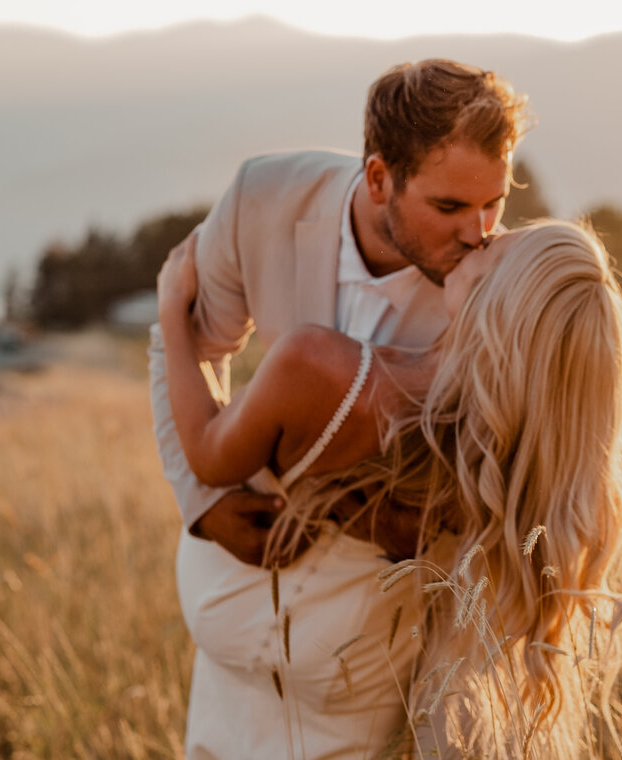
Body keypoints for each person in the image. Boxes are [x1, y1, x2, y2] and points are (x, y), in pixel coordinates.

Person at [145, 58, 531, 757]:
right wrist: (200, 497)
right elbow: (189, 346)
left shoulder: (494, 283)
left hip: (370, 645)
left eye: (494, 203)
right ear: (380, 177)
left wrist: (355, 510)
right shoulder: (263, 196)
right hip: (235, 610)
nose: (479, 232)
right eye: (450, 207)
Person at [158, 221, 622, 758]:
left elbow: (206, 452)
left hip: (253, 684)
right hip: (337, 719)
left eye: (499, 243)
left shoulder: (322, 370)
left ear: (500, 296)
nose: (481, 235)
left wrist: (170, 318)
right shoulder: (500, 475)